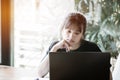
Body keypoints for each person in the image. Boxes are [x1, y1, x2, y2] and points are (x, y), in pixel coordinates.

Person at [38, 12, 112, 80]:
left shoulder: (92, 48)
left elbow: (107, 75)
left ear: (82, 35)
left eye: (76, 33)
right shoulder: (55, 46)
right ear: (62, 30)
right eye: (68, 31)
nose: (71, 37)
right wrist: (54, 49)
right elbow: (40, 74)